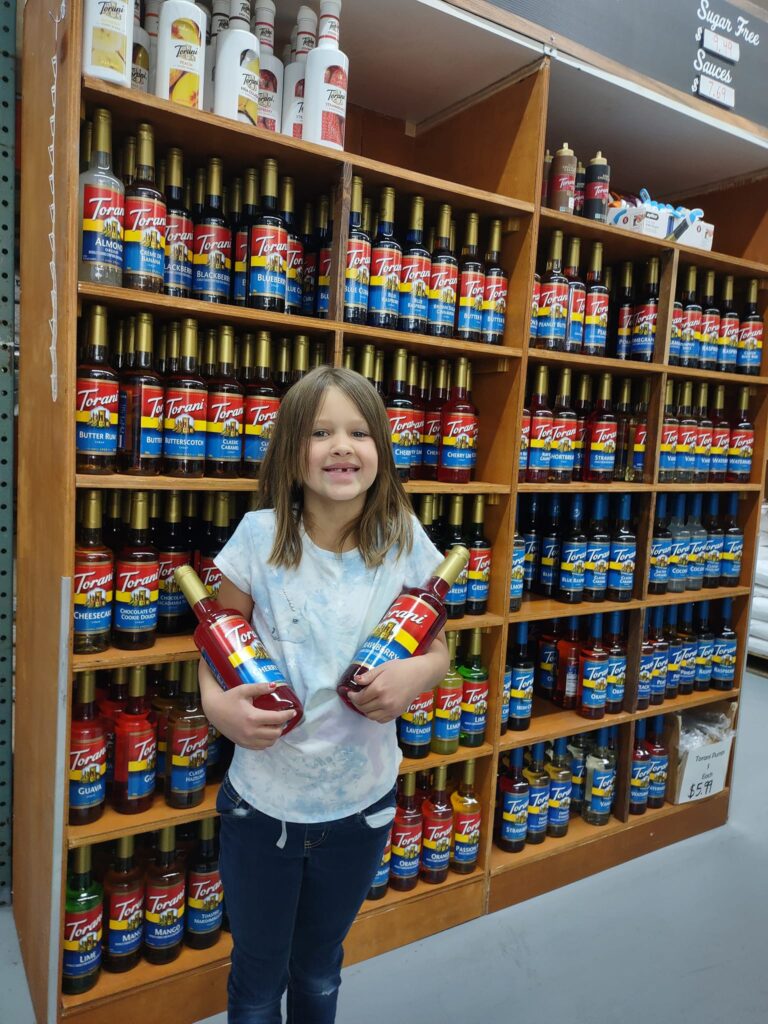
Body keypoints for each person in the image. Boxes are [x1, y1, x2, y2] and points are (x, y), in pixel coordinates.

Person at [200, 365, 448, 1024]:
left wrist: (416, 676)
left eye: (359, 431)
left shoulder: (403, 541)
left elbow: (441, 650)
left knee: (319, 967)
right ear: (290, 452)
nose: (341, 445)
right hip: (262, 810)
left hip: (360, 810)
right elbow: (215, 644)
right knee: (256, 977)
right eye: (320, 432)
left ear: (382, 450)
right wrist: (218, 709)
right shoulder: (257, 538)